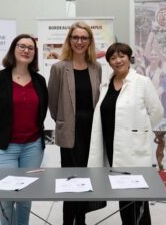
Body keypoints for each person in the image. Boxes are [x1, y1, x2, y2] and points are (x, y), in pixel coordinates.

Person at [88, 43, 164, 225]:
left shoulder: (142, 82)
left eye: (121, 56)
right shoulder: (105, 84)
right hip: (111, 147)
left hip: (133, 149)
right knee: (123, 196)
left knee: (137, 198)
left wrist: (140, 133)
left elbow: (157, 112)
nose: (117, 60)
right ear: (109, 62)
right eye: (113, 58)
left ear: (129, 58)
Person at [0, 34, 48, 225]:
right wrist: (0, 133)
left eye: (30, 48)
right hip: (4, 148)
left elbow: (42, 111)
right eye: (22, 46)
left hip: (33, 147)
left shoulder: (39, 80)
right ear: (13, 49)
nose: (26, 50)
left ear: (34, 54)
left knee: (26, 196)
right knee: (6, 196)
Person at [48, 21, 104, 225]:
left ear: (89, 41)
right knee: (70, 180)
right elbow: (52, 104)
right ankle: (67, 221)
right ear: (69, 40)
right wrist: (65, 121)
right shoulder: (59, 68)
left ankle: (81, 220)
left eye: (84, 38)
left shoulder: (96, 67)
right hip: (70, 132)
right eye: (76, 37)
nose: (79, 41)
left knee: (86, 178)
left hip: (91, 132)